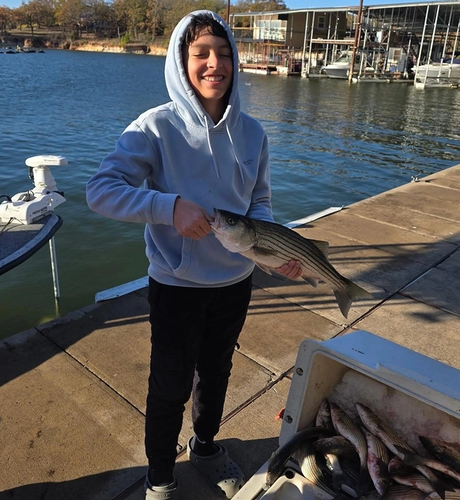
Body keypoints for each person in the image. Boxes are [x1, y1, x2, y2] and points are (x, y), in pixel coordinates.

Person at [86, 9, 301, 500]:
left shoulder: (254, 133)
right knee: (169, 385)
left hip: (236, 283)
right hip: (176, 286)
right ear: (181, 61)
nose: (214, 64)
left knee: (218, 371)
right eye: (201, 53)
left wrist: (275, 254)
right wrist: (166, 207)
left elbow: (259, 203)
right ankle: (159, 476)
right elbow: (100, 191)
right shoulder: (153, 127)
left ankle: (205, 446)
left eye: (224, 54)